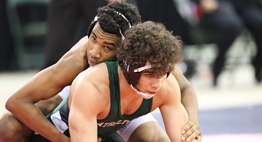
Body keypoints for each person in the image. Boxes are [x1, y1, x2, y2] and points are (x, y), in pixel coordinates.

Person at [2, 1, 201, 142]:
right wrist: (60, 139)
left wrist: (191, 121)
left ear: (126, 49)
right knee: (9, 127)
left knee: (156, 138)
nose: (94, 53)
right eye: (93, 39)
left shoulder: (146, 56)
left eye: (107, 47)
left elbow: (185, 88)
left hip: (127, 102)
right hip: (91, 101)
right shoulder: (79, 61)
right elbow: (16, 102)